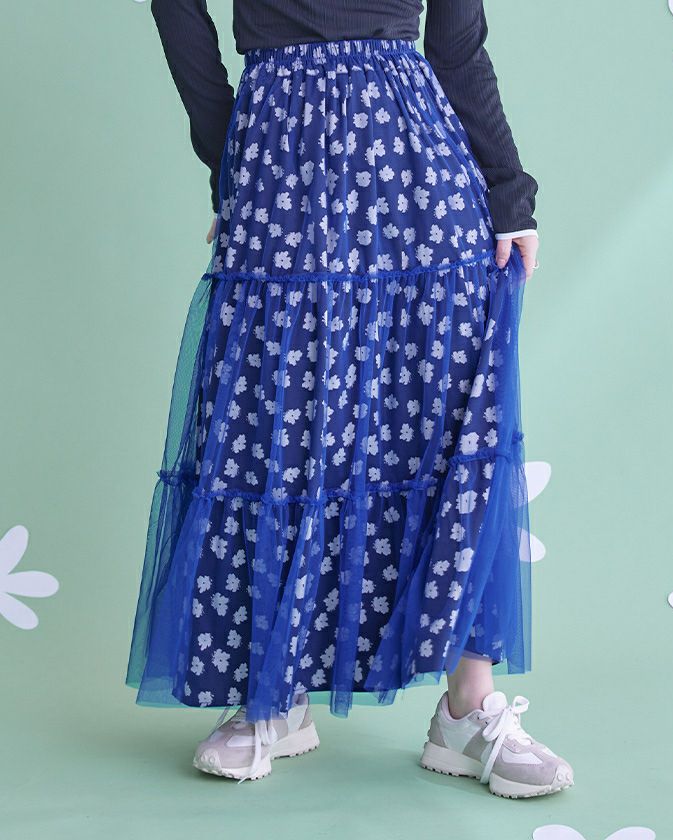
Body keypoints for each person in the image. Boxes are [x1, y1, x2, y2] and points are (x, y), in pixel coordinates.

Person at [126, 0, 574, 799]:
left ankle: (468, 710)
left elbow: (457, 40)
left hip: (415, 155)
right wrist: (232, 159)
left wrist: (509, 193)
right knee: (277, 419)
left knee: (448, 423)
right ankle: (273, 692)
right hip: (279, 148)